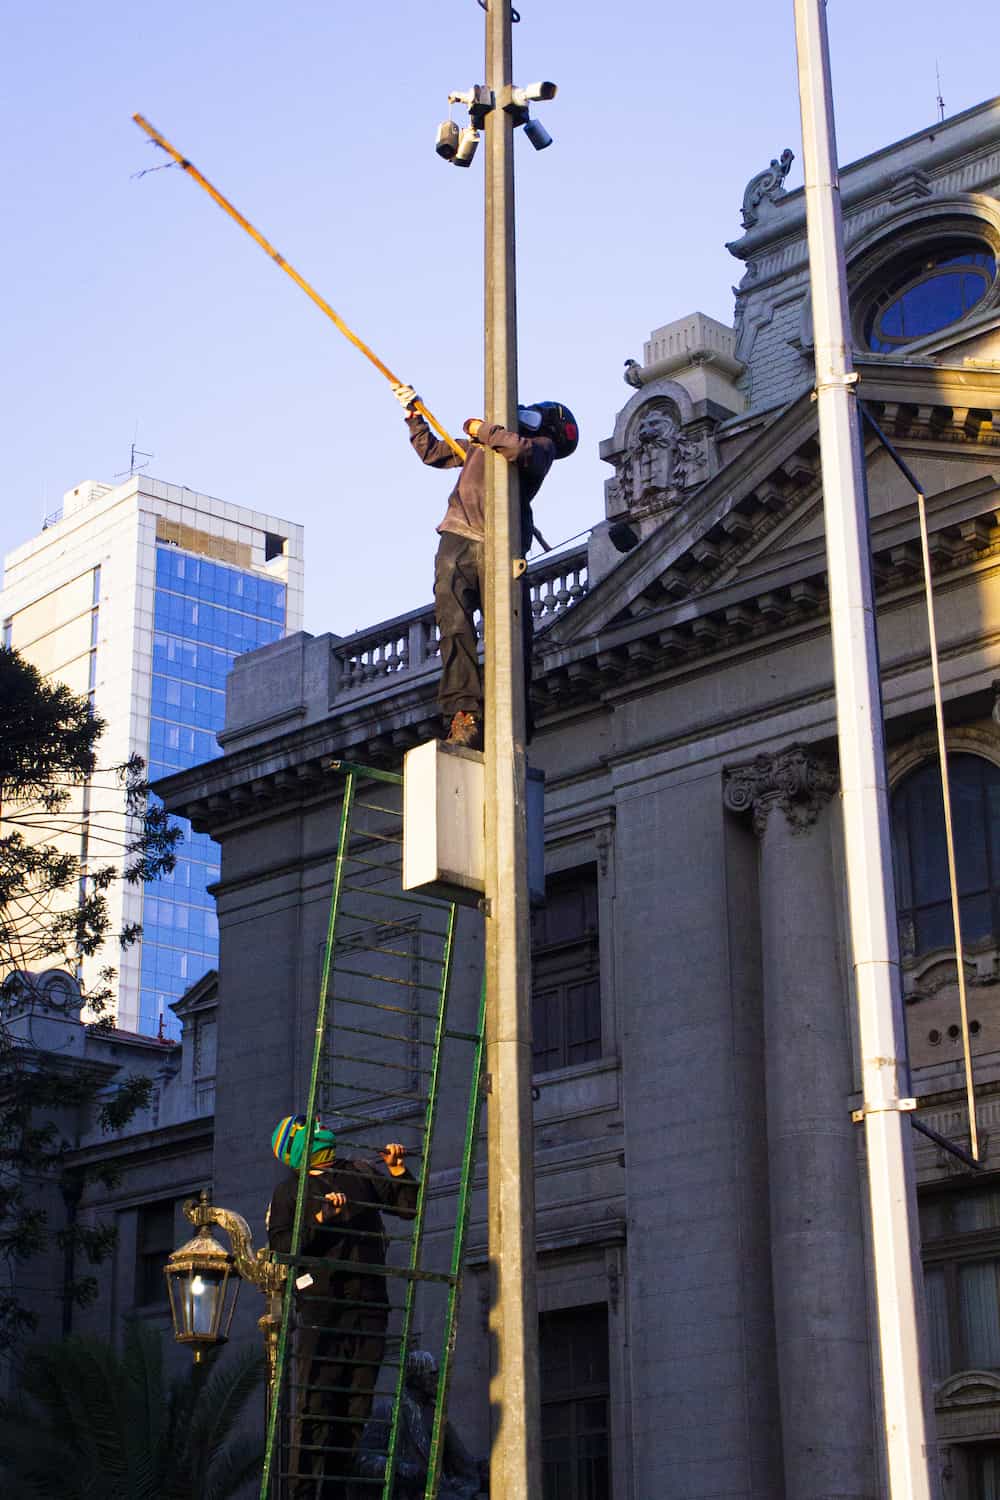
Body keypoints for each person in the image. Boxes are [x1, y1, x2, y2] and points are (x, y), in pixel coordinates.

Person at [392, 384, 578, 750]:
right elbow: (433, 453)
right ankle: (463, 713)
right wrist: (415, 416)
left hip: (502, 545)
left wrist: (483, 431)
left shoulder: (541, 448)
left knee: (511, 637)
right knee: (454, 624)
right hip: (459, 535)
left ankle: (516, 720)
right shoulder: (481, 445)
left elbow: (520, 450)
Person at [267, 1115, 419, 1500]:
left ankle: (338, 1493)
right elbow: (284, 1249)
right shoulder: (290, 1191)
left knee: (356, 1408)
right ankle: (302, 1493)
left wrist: (399, 1169)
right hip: (323, 1309)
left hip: (368, 1305)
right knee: (317, 1406)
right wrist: (321, 1218)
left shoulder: (359, 1170)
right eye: (311, 1128)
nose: (321, 1129)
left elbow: (407, 1207)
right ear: (296, 1145)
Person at [353, 1349, 486, 1499]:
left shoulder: (435, 1414)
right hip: (405, 1492)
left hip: (437, 1491)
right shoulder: (389, 1410)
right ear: (416, 1379)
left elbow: (460, 1461)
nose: (438, 1380)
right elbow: (365, 1461)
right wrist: (405, 1470)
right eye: (433, 1374)